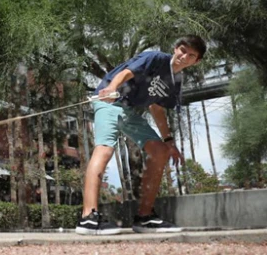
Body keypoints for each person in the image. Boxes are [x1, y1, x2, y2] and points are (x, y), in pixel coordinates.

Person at [75, 35, 207, 235]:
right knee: (104, 149)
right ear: (175, 48)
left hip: (130, 112)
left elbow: (156, 107)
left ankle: (144, 218)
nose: (184, 56)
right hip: (109, 102)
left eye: (191, 55)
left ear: (196, 61)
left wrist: (169, 141)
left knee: (160, 150)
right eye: (182, 50)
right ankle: (88, 218)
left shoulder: (176, 81)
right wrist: (111, 88)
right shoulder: (155, 58)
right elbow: (126, 73)